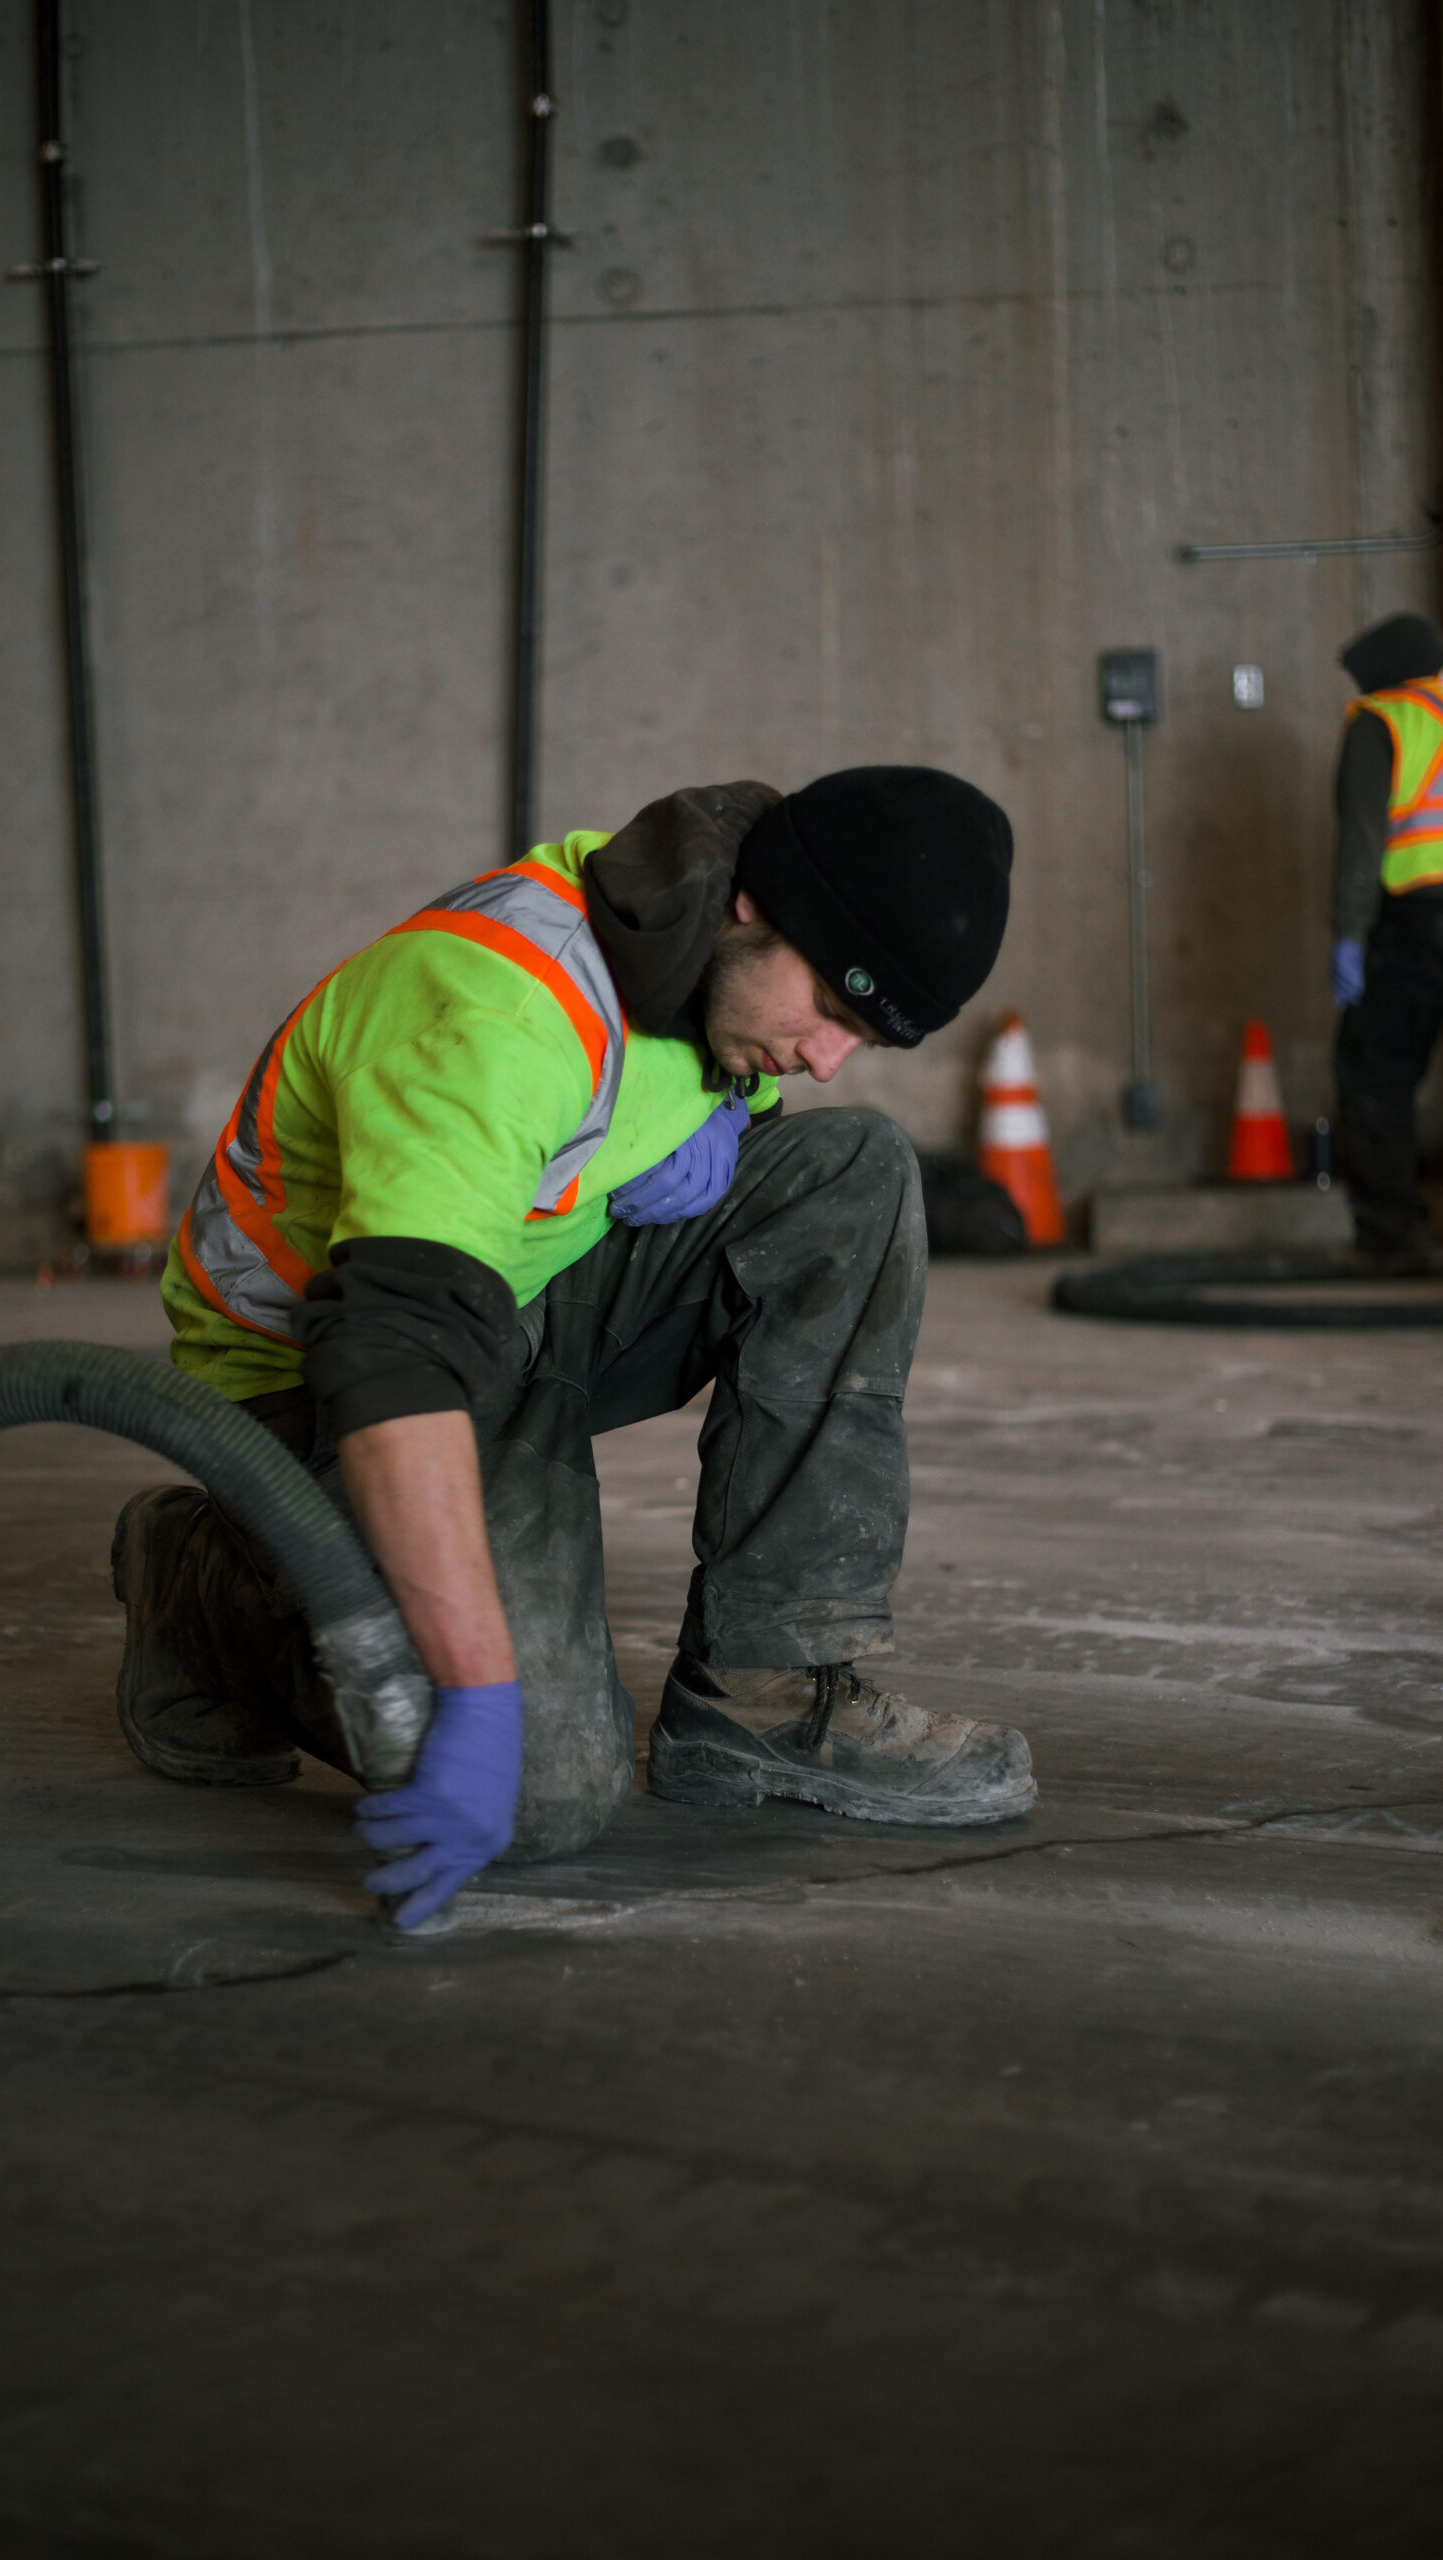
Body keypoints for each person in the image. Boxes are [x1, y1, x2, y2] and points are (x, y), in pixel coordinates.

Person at [113, 767, 1036, 1929]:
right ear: (757, 904)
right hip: (329, 1371)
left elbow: (739, 1078)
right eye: (834, 1012)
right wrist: (475, 1690)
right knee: (544, 1793)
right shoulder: (498, 1016)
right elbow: (387, 1359)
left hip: (527, 1288)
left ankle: (759, 1693)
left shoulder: (708, 954)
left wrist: (721, 1113)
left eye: (866, 1035)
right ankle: (210, 1582)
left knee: (850, 1174)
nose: (827, 1060)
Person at [1331, 611, 1443, 1266]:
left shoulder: (1383, 718)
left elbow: (1360, 839)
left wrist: (1348, 933)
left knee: (1374, 1072)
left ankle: (1392, 1236)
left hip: (1420, 921)